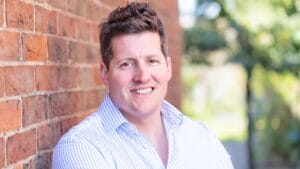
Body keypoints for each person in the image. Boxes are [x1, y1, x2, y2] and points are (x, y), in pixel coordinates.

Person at [52, 2, 234, 169]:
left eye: (152, 61)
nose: (142, 76)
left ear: (168, 68)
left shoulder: (201, 138)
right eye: (127, 64)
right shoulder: (81, 147)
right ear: (105, 74)